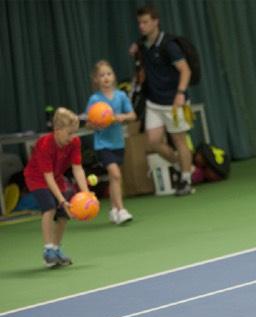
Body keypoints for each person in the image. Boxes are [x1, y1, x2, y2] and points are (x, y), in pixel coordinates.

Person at [128, 4, 194, 196]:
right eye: (139, 22)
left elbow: (185, 70)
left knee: (179, 140)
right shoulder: (141, 45)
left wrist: (180, 93)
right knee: (153, 141)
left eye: (146, 22)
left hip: (174, 102)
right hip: (154, 103)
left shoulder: (169, 45)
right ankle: (182, 166)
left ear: (155, 22)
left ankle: (186, 180)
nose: (142, 26)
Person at [23, 108, 91, 267]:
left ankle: (56, 248)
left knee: (64, 214)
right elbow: (47, 177)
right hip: (37, 178)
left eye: (74, 133)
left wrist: (86, 193)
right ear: (57, 130)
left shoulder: (74, 142)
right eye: (69, 133)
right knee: (50, 207)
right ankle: (48, 250)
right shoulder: (45, 144)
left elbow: (77, 168)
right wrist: (61, 200)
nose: (72, 137)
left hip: (57, 178)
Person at [86, 60, 137, 224]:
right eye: (102, 75)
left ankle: (114, 209)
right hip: (103, 144)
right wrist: (97, 122)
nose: (106, 78)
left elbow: (132, 115)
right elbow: (88, 123)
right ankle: (121, 210)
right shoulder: (95, 99)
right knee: (115, 174)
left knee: (115, 178)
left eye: (109, 74)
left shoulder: (121, 96)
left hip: (118, 143)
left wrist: (122, 117)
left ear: (113, 76)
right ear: (96, 79)